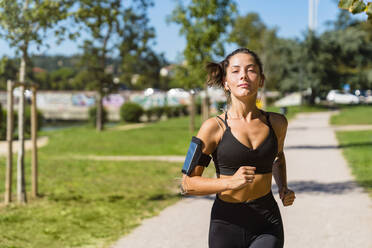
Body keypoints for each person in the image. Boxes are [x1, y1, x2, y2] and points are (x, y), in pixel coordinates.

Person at [180, 48, 295, 248]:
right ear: (226, 82)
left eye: (251, 70)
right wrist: (230, 183)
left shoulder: (277, 123)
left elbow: (278, 157)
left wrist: (283, 187)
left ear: (261, 80)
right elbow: (188, 184)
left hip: (267, 221)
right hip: (226, 224)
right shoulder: (212, 128)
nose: (243, 75)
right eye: (235, 71)